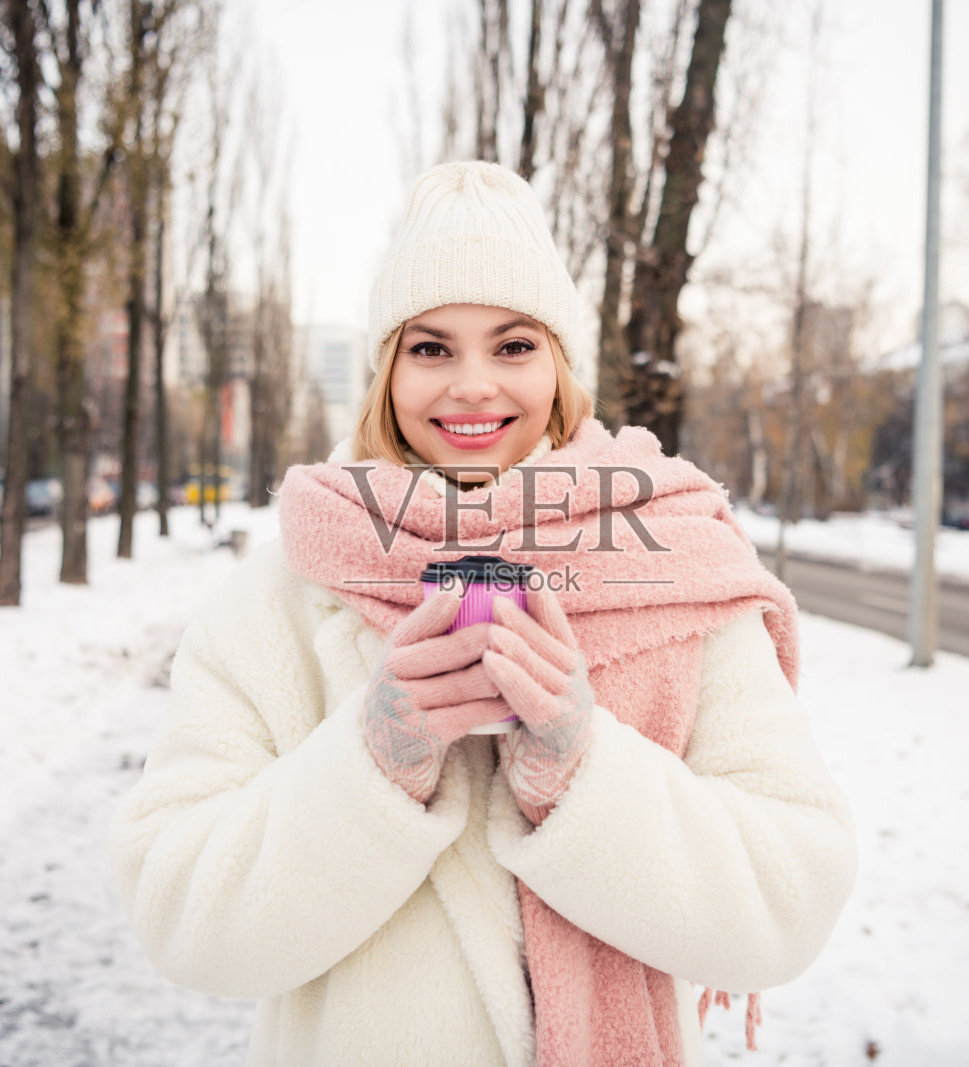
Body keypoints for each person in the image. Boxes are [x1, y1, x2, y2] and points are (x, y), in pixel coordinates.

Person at [110, 161, 856, 1067]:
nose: (472, 385)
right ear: (387, 371)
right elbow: (177, 910)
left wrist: (582, 776)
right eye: (431, 349)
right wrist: (371, 768)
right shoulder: (280, 594)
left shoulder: (673, 566)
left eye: (513, 346)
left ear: (559, 367)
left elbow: (793, 893)